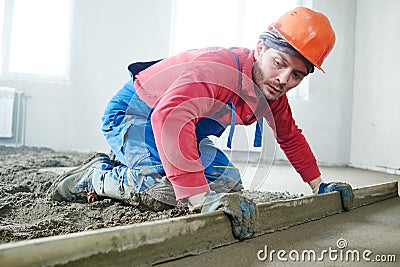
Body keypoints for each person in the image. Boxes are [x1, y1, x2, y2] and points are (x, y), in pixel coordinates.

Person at [48, 7, 354, 240]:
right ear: (260, 49)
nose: (284, 80)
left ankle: (135, 163)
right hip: (137, 117)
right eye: (279, 63)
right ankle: (94, 176)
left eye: (297, 75)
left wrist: (320, 186)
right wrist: (199, 200)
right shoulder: (218, 70)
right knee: (166, 192)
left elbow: (290, 137)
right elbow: (168, 118)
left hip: (184, 133)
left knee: (228, 185)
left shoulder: (272, 94)